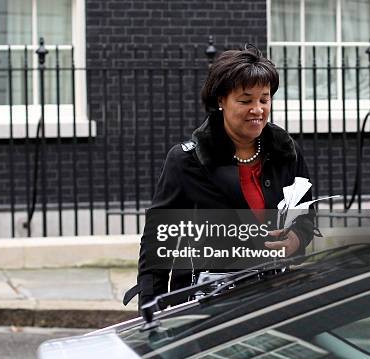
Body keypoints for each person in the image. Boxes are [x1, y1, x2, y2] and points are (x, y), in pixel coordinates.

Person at [124, 45, 315, 309]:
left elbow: (306, 216)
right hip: (205, 302)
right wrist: (151, 306)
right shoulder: (186, 160)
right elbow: (159, 239)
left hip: (274, 298)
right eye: (246, 100)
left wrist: (294, 240)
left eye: (264, 99)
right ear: (221, 101)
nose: (257, 109)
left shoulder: (287, 152)